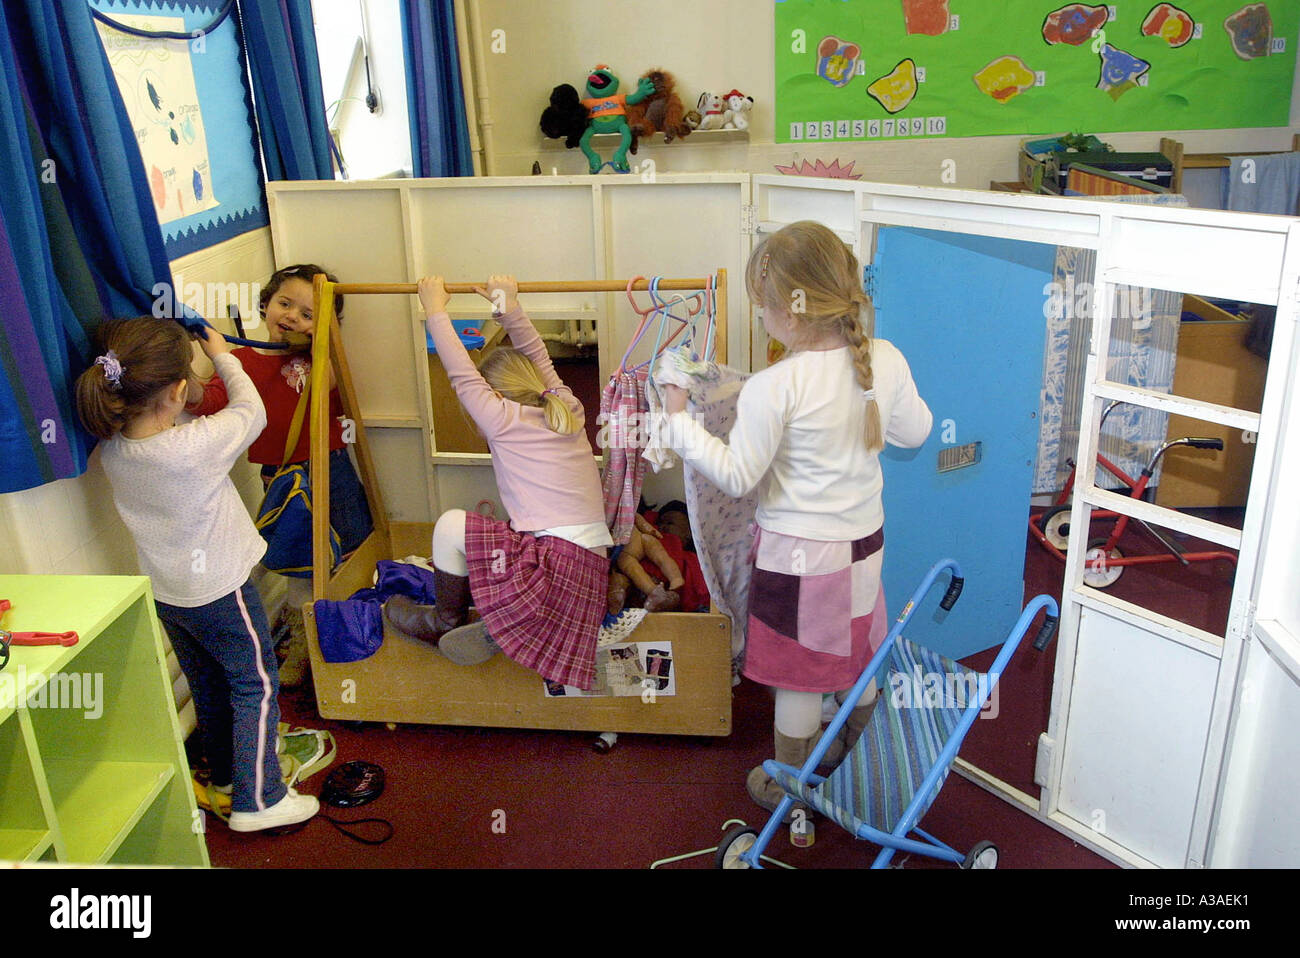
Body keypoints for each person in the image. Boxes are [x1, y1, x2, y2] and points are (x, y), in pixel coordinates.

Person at [659, 220, 933, 817]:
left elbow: (736, 476)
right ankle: (857, 753)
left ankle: (792, 786)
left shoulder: (775, 386)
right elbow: (917, 431)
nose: (759, 319)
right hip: (865, 546)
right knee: (856, 649)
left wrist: (678, 422)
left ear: (787, 312)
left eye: (762, 308)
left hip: (800, 559)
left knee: (799, 679)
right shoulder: (883, 358)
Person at [74, 317, 318, 832]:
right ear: (179, 391)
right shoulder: (192, 446)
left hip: (170, 595)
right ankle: (261, 800)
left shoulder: (116, 449)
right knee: (256, 684)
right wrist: (225, 354)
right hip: (220, 592)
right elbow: (251, 412)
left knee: (210, 684)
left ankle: (230, 777)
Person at [390, 274, 611, 691]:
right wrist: (507, 306)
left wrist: (434, 309)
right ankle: (511, 623)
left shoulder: (502, 419)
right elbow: (538, 355)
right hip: (589, 571)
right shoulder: (567, 405)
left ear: (494, 395)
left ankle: (444, 620)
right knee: (500, 536)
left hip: (553, 572)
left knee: (451, 526)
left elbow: (461, 372)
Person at [188, 264, 373, 686]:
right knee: (298, 562)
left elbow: (330, 383)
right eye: (284, 304)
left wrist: (317, 337)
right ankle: (300, 648)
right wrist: (189, 377)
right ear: (266, 303)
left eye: (308, 314)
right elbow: (212, 399)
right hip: (281, 478)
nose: (292, 317)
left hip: (332, 466)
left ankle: (354, 633)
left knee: (353, 545)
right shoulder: (241, 362)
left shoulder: (318, 359)